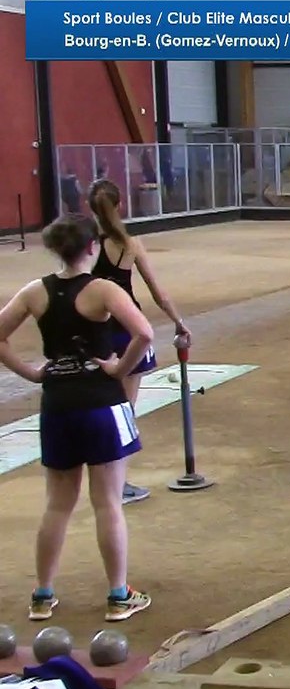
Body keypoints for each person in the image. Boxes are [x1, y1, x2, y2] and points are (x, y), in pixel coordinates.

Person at [0, 214, 155, 623]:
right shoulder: (101, 289)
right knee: (108, 502)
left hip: (58, 403)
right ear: (92, 248)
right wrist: (119, 370)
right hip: (101, 403)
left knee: (57, 505)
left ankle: (42, 594)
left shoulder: (36, 291)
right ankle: (118, 595)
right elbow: (144, 333)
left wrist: (34, 373)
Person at [87, 179, 191, 505]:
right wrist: (179, 322)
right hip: (130, 330)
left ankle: (106, 481)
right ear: (120, 206)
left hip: (99, 334)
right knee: (125, 410)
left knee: (101, 405)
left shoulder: (89, 246)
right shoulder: (131, 245)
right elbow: (159, 294)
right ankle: (118, 484)